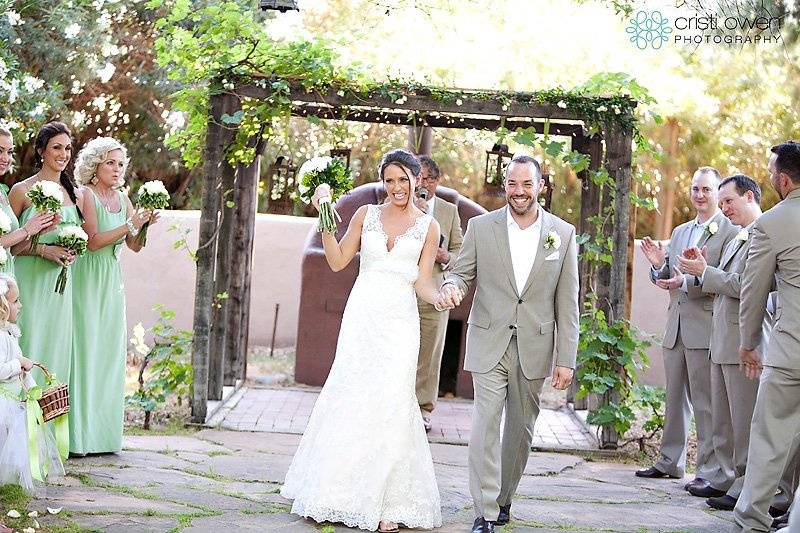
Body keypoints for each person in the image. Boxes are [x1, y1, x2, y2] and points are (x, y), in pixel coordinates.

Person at [281, 149, 443, 533]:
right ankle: (336, 494)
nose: (397, 187)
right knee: (352, 392)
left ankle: (389, 500)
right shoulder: (365, 215)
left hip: (400, 322)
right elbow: (337, 260)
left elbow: (422, 282)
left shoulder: (428, 226)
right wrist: (323, 214)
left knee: (392, 399)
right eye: (389, 180)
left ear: (417, 179)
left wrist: (440, 297)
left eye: (403, 179)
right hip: (363, 317)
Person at [439, 155, 579, 533]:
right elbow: (461, 271)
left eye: (527, 184)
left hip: (535, 344)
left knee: (521, 429)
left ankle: (503, 497)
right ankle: (483, 511)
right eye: (513, 185)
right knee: (485, 422)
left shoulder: (562, 234)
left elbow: (568, 302)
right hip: (488, 338)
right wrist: (451, 285)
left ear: (540, 186)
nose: (519, 192)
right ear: (506, 186)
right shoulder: (481, 228)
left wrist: (566, 358)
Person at [636, 167, 737, 493]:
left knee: (707, 405)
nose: (699, 195)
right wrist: (656, 266)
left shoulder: (730, 233)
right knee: (674, 398)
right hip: (675, 326)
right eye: (695, 188)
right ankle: (669, 462)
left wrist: (688, 281)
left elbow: (722, 279)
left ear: (718, 191)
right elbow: (667, 273)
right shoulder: (680, 231)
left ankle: (708, 470)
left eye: (706, 189)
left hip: (706, 327)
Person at [676, 175, 774, 507]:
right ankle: (723, 477)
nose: (724, 207)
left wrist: (707, 272)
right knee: (723, 419)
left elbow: (748, 285)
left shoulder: (765, 234)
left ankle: (746, 484)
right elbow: (722, 282)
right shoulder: (736, 239)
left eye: (728, 200)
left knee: (744, 419)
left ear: (749, 196)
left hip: (745, 340)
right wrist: (699, 270)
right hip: (721, 339)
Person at [69, 137, 152, 455]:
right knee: (86, 350)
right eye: (110, 163)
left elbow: (133, 245)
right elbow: (93, 241)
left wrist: (142, 226)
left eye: (120, 164)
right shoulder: (86, 195)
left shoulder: (124, 198)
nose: (117, 169)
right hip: (87, 278)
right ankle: (80, 437)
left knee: (107, 353)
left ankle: (104, 438)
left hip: (111, 281)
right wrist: (131, 223)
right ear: (94, 166)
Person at [733, 140, 800, 533]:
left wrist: (748, 342)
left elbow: (753, 291)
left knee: (770, 439)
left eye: (772, 172)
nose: (771, 177)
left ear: (785, 179)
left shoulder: (771, 223)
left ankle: (752, 520)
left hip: (791, 351)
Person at [9, 122, 82, 390]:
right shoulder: (21, 191)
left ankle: (51, 427)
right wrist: (44, 250)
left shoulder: (75, 195)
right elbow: (9, 246)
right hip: (28, 283)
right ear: (41, 151)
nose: (63, 154)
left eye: (67, 149)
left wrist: (72, 251)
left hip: (60, 290)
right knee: (29, 342)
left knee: (55, 349)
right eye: (56, 148)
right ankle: (20, 423)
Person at [0, 273, 64, 494]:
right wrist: (18, 364)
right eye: (15, 301)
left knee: (16, 441)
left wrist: (33, 385)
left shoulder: (9, 333)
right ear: (2, 306)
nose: (20, 305)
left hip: (15, 396)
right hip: (4, 401)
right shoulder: (0, 337)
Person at [412, 155, 463, 432]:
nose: (423, 184)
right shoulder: (397, 205)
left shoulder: (448, 211)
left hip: (435, 293)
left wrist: (445, 257)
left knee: (429, 354)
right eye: (417, 177)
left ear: (437, 181)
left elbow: (462, 254)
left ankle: (422, 409)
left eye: (428, 179)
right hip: (402, 291)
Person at [0, 127, 56, 274]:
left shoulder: (2, 192)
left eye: (9, 152)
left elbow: (12, 250)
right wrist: (26, 229)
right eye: (0, 150)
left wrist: (37, 230)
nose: (5, 158)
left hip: (8, 279)